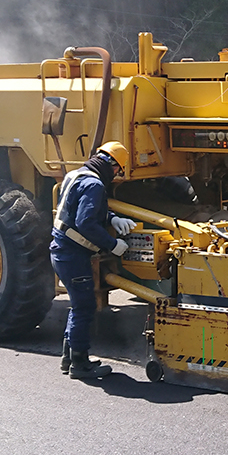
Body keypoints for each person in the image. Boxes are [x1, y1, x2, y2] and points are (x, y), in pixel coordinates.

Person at [51, 141, 137, 379]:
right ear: (113, 166)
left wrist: (111, 218)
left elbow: (79, 208)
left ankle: (68, 357)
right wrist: (112, 244)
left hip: (61, 251)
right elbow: (85, 222)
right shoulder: (95, 185)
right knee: (84, 307)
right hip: (73, 255)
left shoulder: (76, 175)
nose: (117, 175)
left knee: (78, 305)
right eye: (119, 170)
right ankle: (80, 364)